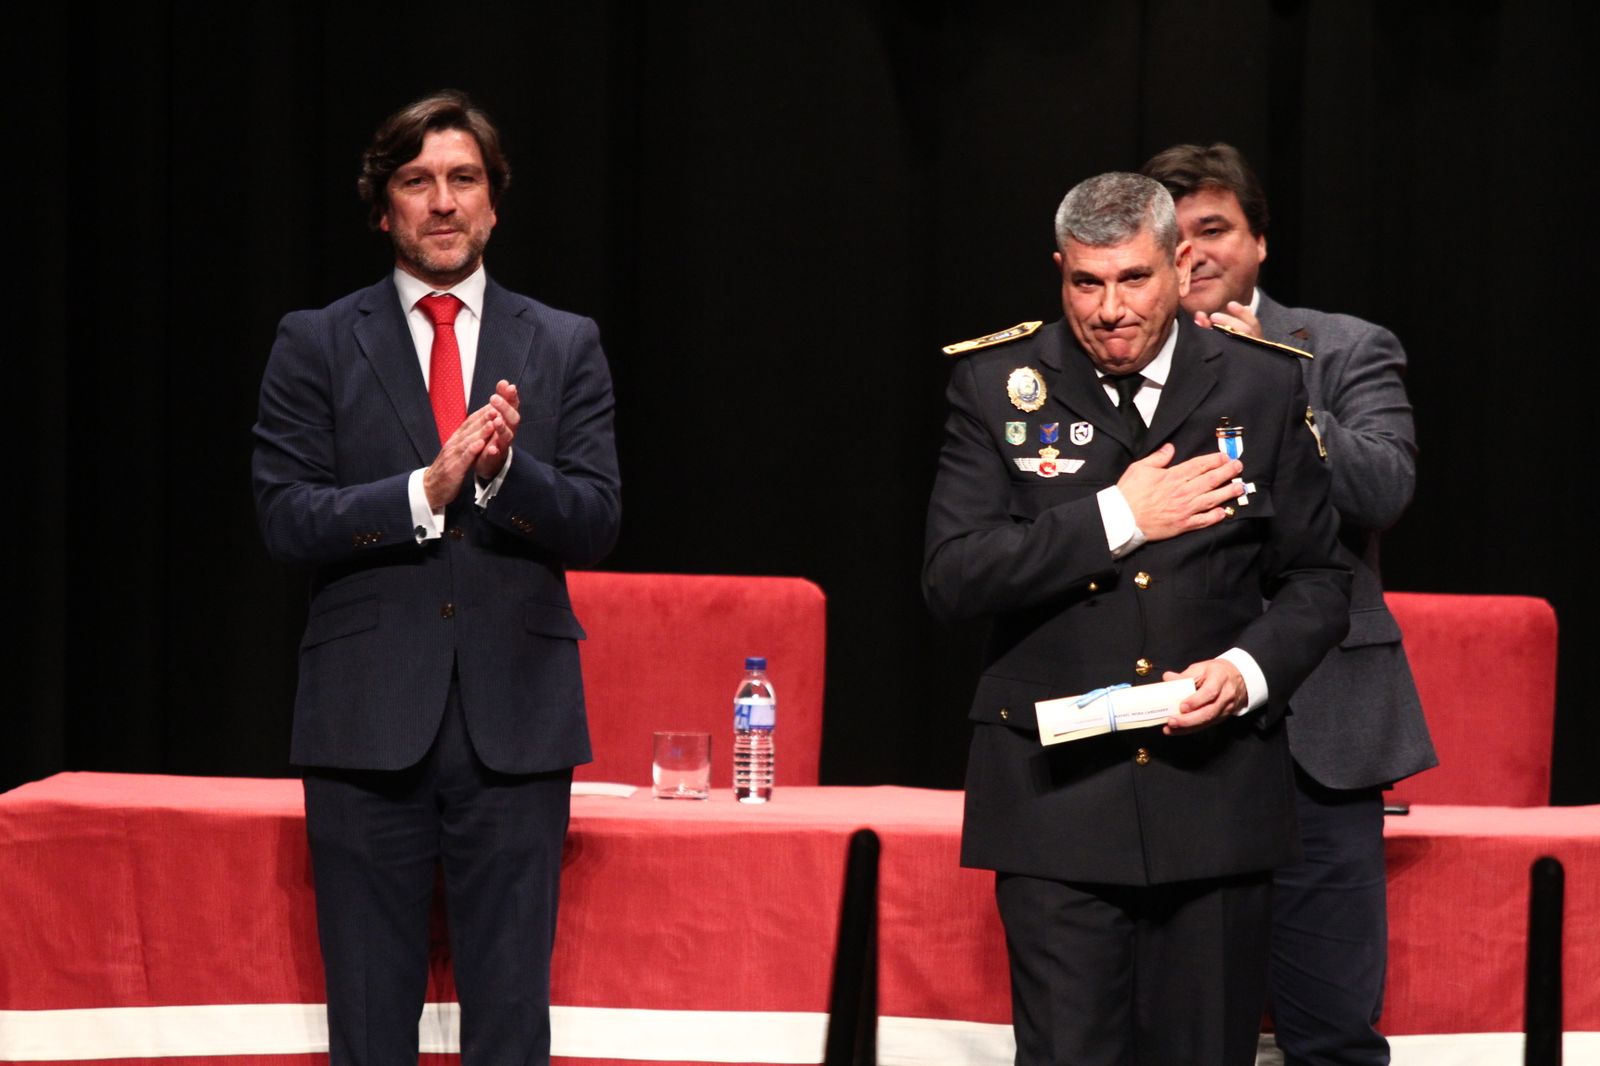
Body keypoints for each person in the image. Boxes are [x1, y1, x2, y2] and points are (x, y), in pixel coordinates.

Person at [923, 172, 1350, 1066]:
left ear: (1180, 266)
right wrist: (1120, 516)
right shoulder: (997, 383)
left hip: (1215, 797)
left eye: (1133, 279)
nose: (1110, 310)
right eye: (1087, 283)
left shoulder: (1264, 384)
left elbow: (1316, 581)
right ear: (1060, 271)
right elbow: (953, 577)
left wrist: (1247, 672)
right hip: (1056, 803)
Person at [252, 90, 621, 1065]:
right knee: (370, 1028)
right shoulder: (316, 340)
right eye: (418, 181)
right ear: (385, 208)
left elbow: (596, 519)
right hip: (365, 724)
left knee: (511, 1027)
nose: (444, 201)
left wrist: (502, 475)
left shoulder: (564, 342)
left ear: (494, 200)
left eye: (464, 179)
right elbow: (285, 517)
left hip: (516, 727)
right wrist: (424, 491)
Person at [1142, 142, 1437, 1066]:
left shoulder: (1343, 348)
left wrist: (1276, 377)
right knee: (1183, 1035)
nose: (1194, 252)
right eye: (1174, 234)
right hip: (1176, 725)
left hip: (1322, 731)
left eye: (1215, 229)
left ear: (1259, 242)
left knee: (1332, 1036)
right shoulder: (1124, 361)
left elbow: (1382, 490)